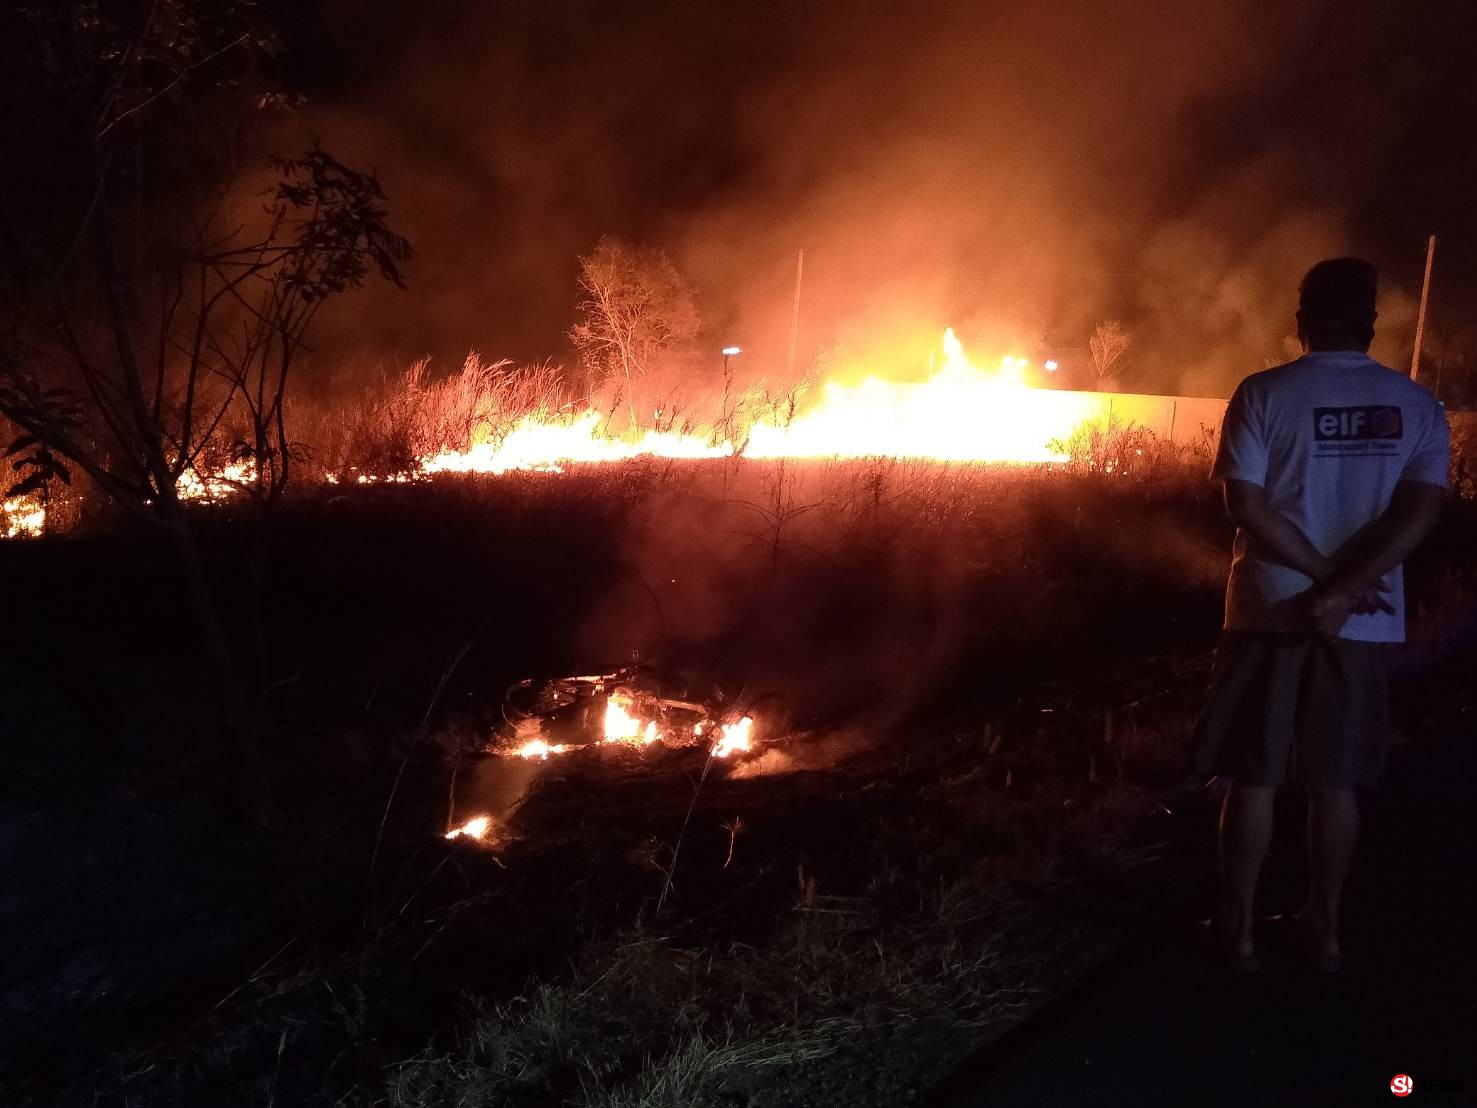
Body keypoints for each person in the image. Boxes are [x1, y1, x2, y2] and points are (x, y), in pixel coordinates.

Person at [1194, 257, 1449, 972]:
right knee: (1333, 780)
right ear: (1371, 325)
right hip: (1360, 620)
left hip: (1270, 611)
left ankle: (1237, 931)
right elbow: (1419, 510)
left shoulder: (1262, 393)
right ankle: (1324, 931)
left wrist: (1315, 580)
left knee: (1255, 774)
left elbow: (1243, 504)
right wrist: (1346, 589)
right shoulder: (1417, 406)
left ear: (1300, 321)